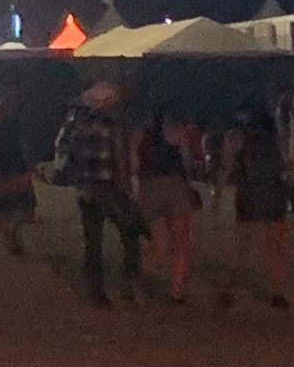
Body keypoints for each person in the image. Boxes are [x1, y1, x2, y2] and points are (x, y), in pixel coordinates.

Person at [66, 82, 142, 308]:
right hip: (110, 187)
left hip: (87, 187)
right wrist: (128, 188)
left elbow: (72, 156)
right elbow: (119, 158)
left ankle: (96, 290)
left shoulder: (79, 124)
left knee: (93, 241)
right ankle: (129, 283)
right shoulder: (114, 125)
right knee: (130, 235)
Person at [219, 103, 292, 309]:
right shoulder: (276, 137)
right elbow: (286, 162)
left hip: (248, 192)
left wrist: (218, 193)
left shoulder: (236, 136)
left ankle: (229, 289)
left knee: (243, 244)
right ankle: (277, 292)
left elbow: (227, 165)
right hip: (274, 192)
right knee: (276, 245)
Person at [135, 104, 200, 303]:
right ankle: (177, 292)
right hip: (174, 186)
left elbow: (133, 163)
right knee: (182, 243)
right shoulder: (180, 132)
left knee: (160, 244)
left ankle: (137, 283)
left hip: (148, 187)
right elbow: (187, 161)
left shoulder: (141, 135)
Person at [0, 88, 36, 257]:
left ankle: (13, 237)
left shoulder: (13, 116)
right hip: (4, 165)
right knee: (6, 207)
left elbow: (22, 142)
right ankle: (11, 240)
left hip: (16, 165)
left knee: (24, 206)